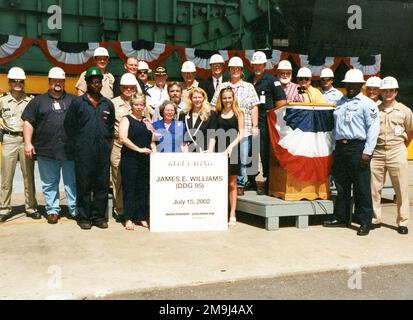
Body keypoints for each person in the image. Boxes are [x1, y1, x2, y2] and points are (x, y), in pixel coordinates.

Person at [323, 69, 380, 236]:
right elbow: (336, 128)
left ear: (361, 86)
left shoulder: (367, 103)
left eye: (355, 85)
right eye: (349, 85)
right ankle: (341, 217)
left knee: (361, 186)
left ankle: (364, 221)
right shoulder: (340, 102)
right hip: (341, 147)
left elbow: (373, 129)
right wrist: (334, 148)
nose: (351, 88)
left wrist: (368, 152)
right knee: (341, 185)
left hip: (358, 148)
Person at [21, 67, 77, 224]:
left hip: (69, 151)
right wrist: (27, 143)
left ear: (64, 82)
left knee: (71, 182)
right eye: (54, 81)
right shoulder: (37, 101)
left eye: (60, 81)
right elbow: (28, 122)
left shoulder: (73, 100)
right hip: (46, 150)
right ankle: (52, 210)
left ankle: (74, 209)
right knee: (49, 182)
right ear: (49, 82)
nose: (57, 83)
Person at [64, 67, 115, 230]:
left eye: (99, 82)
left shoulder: (108, 104)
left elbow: (110, 127)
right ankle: (84, 217)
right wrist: (77, 147)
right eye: (93, 82)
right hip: (83, 153)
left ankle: (99, 216)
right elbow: (69, 127)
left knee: (101, 185)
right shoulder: (77, 103)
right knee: (84, 184)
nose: (96, 84)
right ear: (87, 83)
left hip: (102, 152)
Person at [211, 56, 260, 196]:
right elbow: (214, 107)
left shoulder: (249, 87)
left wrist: (255, 126)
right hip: (225, 129)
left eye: (238, 69)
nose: (235, 71)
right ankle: (224, 182)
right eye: (233, 69)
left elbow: (254, 107)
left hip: (245, 128)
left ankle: (239, 183)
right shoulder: (222, 87)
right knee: (226, 157)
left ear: (242, 71)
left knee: (243, 155)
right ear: (229, 70)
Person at [370, 77, 413, 235]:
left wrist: (401, 147)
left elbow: (409, 131)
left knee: (401, 188)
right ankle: (376, 219)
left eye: (391, 90)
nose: (388, 93)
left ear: (396, 92)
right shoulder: (375, 109)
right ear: (380, 92)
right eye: (385, 90)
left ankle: (402, 221)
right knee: (374, 188)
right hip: (378, 151)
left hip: (397, 150)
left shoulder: (404, 110)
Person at [0, 67, 38, 221]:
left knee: (28, 175)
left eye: (20, 81)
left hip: (25, 140)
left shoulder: (31, 101)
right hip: (9, 139)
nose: (17, 84)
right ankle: (4, 208)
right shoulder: (2, 100)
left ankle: (31, 207)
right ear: (9, 82)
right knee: (6, 176)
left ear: (24, 83)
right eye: (14, 81)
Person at [249, 51, 287, 195]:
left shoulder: (272, 81)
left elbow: (282, 102)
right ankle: (251, 180)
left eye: (260, 65)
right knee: (251, 151)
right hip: (252, 122)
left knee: (265, 152)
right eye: (255, 64)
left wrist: (274, 121)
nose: (257, 67)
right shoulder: (249, 79)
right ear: (252, 65)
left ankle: (267, 181)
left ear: (265, 65)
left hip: (266, 123)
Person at [119, 94, 153, 230]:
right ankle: (128, 218)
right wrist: (138, 149)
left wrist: (152, 150)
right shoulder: (126, 119)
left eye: (141, 104)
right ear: (131, 106)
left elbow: (152, 137)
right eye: (136, 105)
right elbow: (123, 138)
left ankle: (142, 217)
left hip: (144, 159)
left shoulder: (146, 120)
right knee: (130, 188)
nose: (139, 107)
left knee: (143, 188)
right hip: (130, 158)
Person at [214, 87, 244, 226]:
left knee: (232, 184)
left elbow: (241, 134)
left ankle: (232, 213)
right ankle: (220, 212)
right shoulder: (217, 113)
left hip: (232, 150)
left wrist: (231, 146)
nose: (227, 100)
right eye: (224, 98)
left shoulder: (239, 113)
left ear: (233, 98)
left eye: (229, 97)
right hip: (218, 151)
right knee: (219, 183)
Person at [110, 73, 138, 220]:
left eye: (131, 87)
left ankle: (135, 210)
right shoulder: (112, 103)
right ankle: (120, 210)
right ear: (120, 88)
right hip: (118, 145)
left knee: (135, 178)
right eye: (125, 87)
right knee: (118, 178)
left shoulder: (140, 102)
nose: (128, 89)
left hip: (136, 147)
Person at [179, 87, 217, 153]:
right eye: (195, 97)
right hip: (187, 151)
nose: (197, 100)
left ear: (204, 98)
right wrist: (183, 147)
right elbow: (181, 133)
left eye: (199, 97)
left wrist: (210, 150)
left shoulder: (210, 114)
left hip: (204, 151)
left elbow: (212, 134)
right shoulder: (183, 114)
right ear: (190, 99)